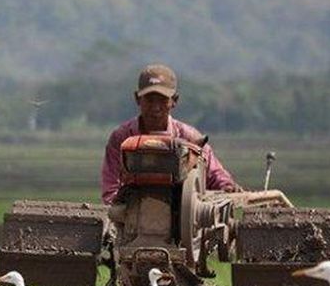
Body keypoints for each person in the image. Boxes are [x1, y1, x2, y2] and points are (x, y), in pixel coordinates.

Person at [101, 64, 241, 205]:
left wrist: (227, 187)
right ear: (137, 99)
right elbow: (110, 190)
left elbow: (215, 175)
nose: (155, 108)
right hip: (131, 215)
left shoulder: (189, 138)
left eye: (162, 100)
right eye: (149, 100)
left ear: (174, 100)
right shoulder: (121, 138)